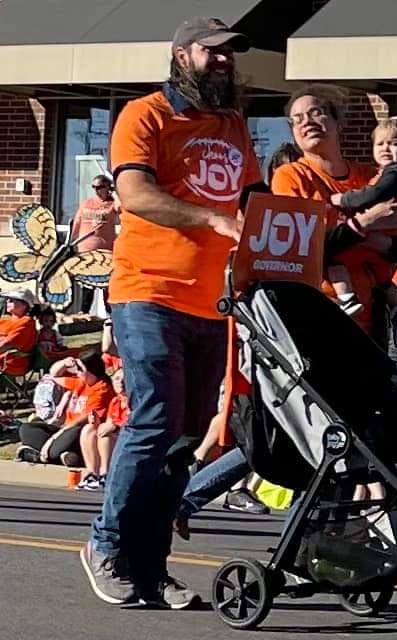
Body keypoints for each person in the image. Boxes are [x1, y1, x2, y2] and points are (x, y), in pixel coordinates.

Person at [81, 16, 267, 608]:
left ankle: (151, 566)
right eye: (211, 52)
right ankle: (105, 545)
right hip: (148, 292)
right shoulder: (145, 115)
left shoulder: (233, 125)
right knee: (154, 419)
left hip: (213, 302)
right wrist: (209, 217)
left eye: (228, 54)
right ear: (180, 55)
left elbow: (253, 200)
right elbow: (135, 194)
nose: (222, 61)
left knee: (184, 437)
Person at [271, 84, 397, 349]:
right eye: (296, 119)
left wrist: (372, 238)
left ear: (338, 123)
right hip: (320, 314)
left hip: (373, 319)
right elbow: (302, 248)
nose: (306, 122)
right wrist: (366, 223)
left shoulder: (372, 177)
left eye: (315, 113)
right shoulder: (291, 176)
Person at [327, 117, 397, 315]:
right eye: (380, 143)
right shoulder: (394, 174)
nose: (385, 148)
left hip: (382, 231)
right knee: (384, 280)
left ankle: (346, 298)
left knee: (335, 258)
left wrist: (343, 200)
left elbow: (372, 195)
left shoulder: (395, 173)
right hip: (387, 240)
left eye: (394, 144)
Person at [17, 352, 114, 465]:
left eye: (79, 369)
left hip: (79, 432)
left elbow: (80, 422)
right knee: (26, 428)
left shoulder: (102, 389)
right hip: (64, 430)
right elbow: (54, 375)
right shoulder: (82, 381)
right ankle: (63, 455)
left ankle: (47, 454)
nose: (76, 372)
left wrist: (52, 439)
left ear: (92, 370)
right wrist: (64, 363)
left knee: (72, 434)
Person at [71, 174, 119, 314]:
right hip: (85, 250)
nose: (96, 190)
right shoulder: (86, 203)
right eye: (94, 187)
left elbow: (123, 208)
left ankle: (110, 314)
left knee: (106, 283)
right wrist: (71, 242)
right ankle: (84, 312)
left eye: (99, 187)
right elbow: (77, 223)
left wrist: (115, 194)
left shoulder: (112, 204)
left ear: (107, 187)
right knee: (88, 283)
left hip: (105, 251)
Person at [77, 368, 129, 491]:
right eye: (117, 379)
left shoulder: (134, 401)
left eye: (124, 379)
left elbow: (131, 425)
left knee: (106, 436)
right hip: (116, 437)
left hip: (127, 439)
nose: (120, 383)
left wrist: (115, 426)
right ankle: (92, 473)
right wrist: (96, 422)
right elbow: (109, 423)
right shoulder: (115, 401)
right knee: (89, 429)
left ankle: (105, 473)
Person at [0, 287, 38, 376]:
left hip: (10, 363)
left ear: (25, 305)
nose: (8, 301)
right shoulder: (4, 320)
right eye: (7, 299)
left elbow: (7, 344)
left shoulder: (26, 322)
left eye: (12, 300)